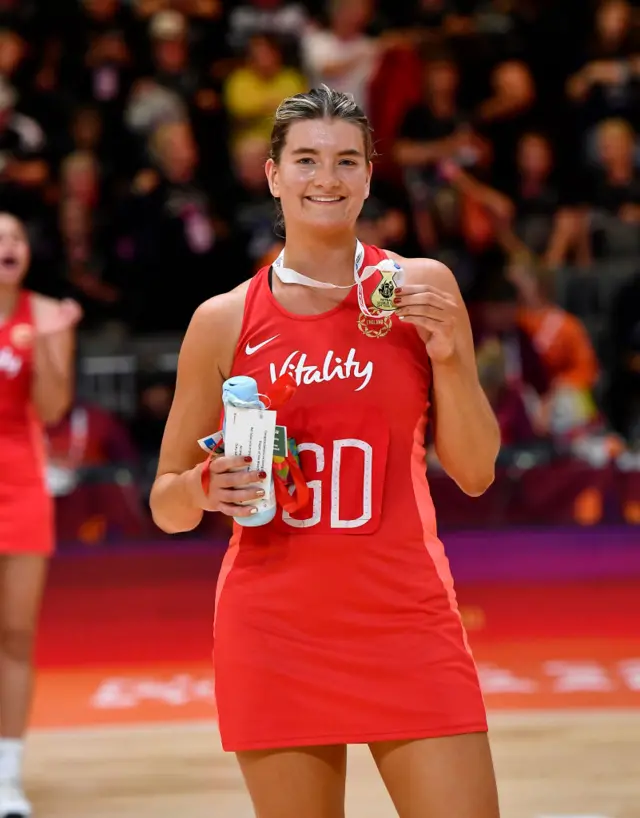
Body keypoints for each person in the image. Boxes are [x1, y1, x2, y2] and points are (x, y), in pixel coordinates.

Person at [150, 86, 501, 818]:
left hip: (406, 618)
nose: (327, 179)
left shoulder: (421, 289)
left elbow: (474, 473)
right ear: (273, 174)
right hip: (273, 626)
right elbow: (166, 504)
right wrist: (206, 487)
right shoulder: (222, 321)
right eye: (306, 159)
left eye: (347, 160)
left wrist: (452, 357)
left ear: (371, 174)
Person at [0, 213, 81, 818]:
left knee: (16, 635)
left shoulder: (49, 313)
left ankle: (6, 779)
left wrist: (51, 344)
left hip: (22, 485)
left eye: (16, 238)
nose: (8, 247)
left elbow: (52, 409)